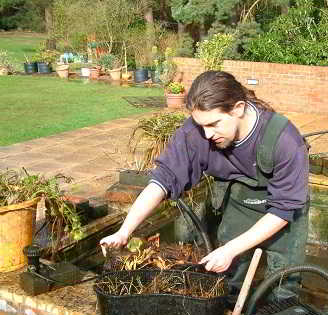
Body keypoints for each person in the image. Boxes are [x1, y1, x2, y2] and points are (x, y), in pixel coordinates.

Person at [100, 70, 310, 300]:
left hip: (283, 211)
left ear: (238, 109)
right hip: (240, 200)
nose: (207, 134)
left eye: (214, 124)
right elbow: (162, 180)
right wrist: (124, 231)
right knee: (228, 278)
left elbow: (282, 209)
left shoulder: (284, 140)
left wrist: (230, 249)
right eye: (201, 126)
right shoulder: (196, 133)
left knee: (283, 282)